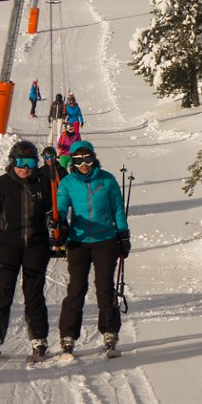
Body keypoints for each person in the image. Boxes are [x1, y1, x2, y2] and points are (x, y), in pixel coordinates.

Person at [54, 140, 130, 356]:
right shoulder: (68, 182)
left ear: (94, 158)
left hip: (105, 239)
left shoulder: (107, 180)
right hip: (78, 241)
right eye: (78, 160)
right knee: (76, 288)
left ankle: (110, 332)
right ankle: (68, 335)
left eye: (87, 159)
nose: (83, 164)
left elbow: (117, 209)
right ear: (73, 162)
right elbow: (61, 205)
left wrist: (123, 234)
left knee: (105, 286)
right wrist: (57, 220)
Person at [0, 140, 53, 359]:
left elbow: (54, 212)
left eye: (30, 162)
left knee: (34, 293)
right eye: (20, 161)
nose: (24, 167)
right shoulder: (1, 184)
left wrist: (58, 228)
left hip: (36, 245)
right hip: (8, 246)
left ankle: (39, 340)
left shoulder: (44, 183)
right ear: (12, 161)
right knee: (3, 291)